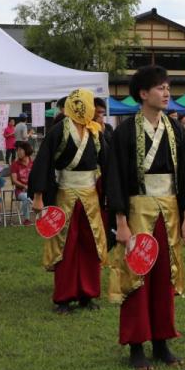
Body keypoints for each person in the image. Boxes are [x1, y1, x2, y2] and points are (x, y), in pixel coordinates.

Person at [108, 66, 185, 370]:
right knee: (137, 276)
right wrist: (121, 223)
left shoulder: (175, 130)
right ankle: (136, 346)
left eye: (167, 87)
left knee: (165, 276)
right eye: (160, 88)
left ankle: (162, 342)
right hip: (137, 211)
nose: (166, 93)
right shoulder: (123, 132)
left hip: (170, 212)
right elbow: (116, 179)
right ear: (143, 93)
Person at [30, 88, 117, 314]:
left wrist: (113, 194)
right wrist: (38, 196)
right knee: (66, 246)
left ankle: (87, 294)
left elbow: (107, 164)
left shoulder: (95, 132)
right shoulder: (59, 130)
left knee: (90, 245)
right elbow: (44, 161)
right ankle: (64, 297)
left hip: (90, 196)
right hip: (65, 195)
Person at [10, 142, 33, 222]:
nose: (18, 152)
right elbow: (14, 180)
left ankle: (43, 218)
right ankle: (27, 219)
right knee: (26, 198)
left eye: (20, 150)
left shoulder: (33, 163)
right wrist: (24, 186)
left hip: (33, 190)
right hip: (20, 191)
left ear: (26, 150)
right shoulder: (15, 164)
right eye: (17, 150)